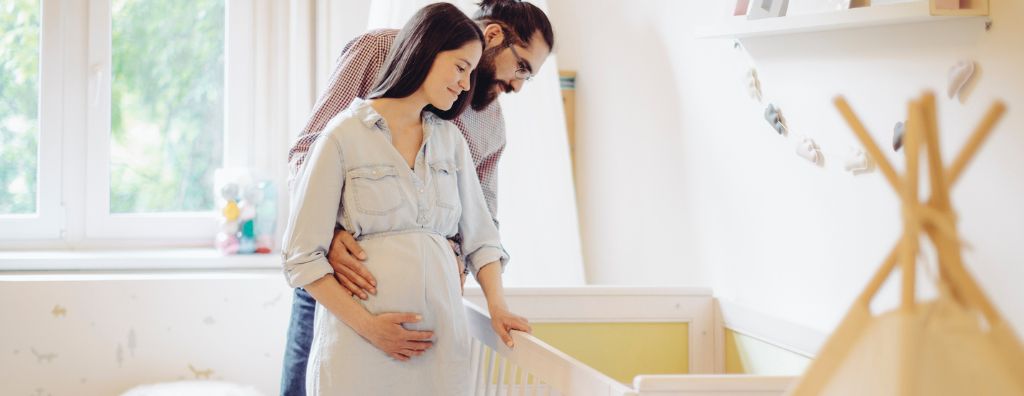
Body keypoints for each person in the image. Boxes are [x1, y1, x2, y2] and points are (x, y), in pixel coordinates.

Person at [280, 1, 555, 394]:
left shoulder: (484, 126)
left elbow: (481, 224)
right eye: (522, 67)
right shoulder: (376, 54)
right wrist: (329, 231)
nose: (517, 84)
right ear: (494, 36)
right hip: (341, 278)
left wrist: (475, 284)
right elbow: (307, 153)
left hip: (432, 317)